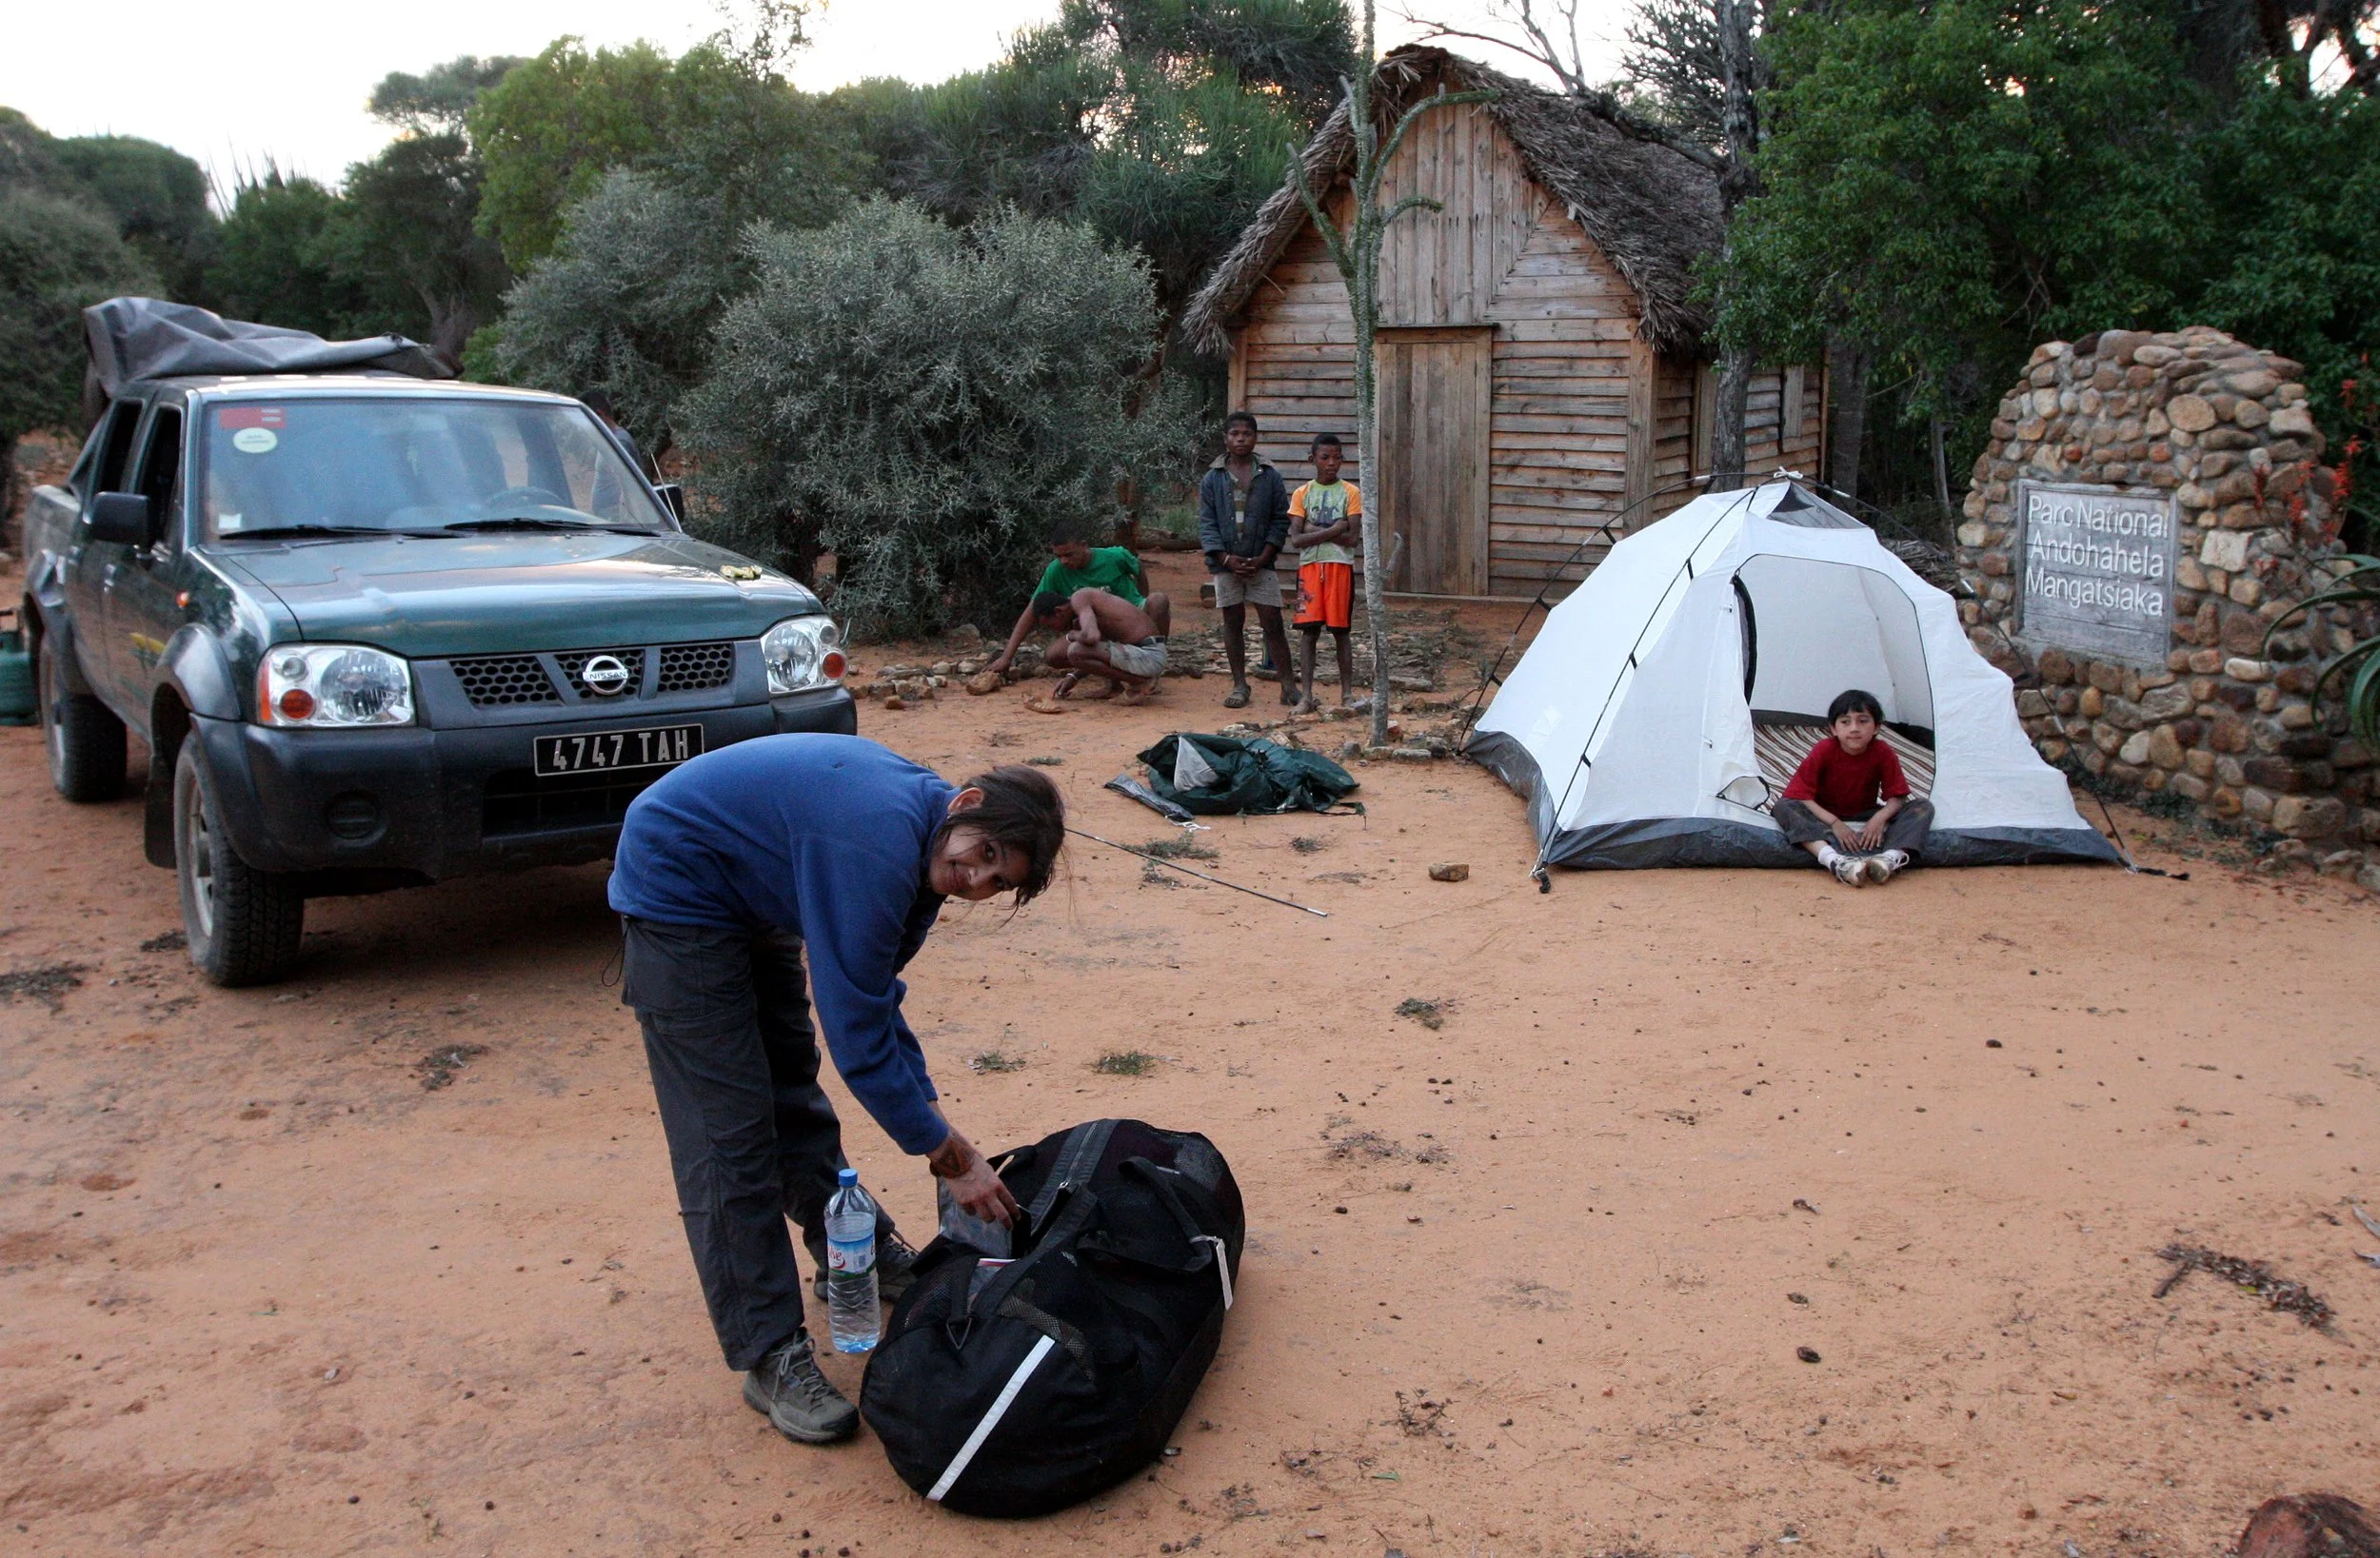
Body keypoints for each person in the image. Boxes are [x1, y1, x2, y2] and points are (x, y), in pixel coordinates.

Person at [609, 737, 1059, 1445]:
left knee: (794, 1099)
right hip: (680, 890)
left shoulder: (926, 847)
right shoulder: (878, 843)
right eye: (987, 855)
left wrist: (939, 1128)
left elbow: (876, 1000)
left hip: (753, 895)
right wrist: (951, 1156)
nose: (975, 880)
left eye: (996, 882)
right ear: (966, 805)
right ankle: (768, 1351)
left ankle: (856, 1252)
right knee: (728, 1139)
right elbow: (857, 1036)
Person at [1771, 690, 1934, 886]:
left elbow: (1897, 797)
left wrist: (1878, 819)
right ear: (1834, 728)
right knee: (1784, 806)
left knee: (1922, 807)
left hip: (1863, 813)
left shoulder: (1882, 752)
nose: (1854, 729)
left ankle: (1889, 859)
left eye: (1863, 721)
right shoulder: (1824, 750)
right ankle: (1834, 860)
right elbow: (1801, 795)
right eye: (1845, 722)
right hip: (1824, 815)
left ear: (1876, 727)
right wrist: (1834, 823)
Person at [1197, 410, 1296, 710]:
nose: (1241, 439)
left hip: (1260, 562)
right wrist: (1224, 558)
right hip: (1226, 564)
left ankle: (1289, 686)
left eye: (1247, 434)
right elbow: (1206, 523)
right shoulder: (1212, 479)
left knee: (1273, 622)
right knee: (1232, 622)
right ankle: (1240, 685)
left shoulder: (1270, 476)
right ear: (1225, 438)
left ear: (1256, 437)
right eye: (1234, 434)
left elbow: (1280, 519)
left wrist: (1266, 555)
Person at [985, 535, 1170, 680]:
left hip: (1127, 622)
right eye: (1058, 556)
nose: (1063, 561)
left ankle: (1147, 669)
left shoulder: (1114, 556)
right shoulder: (1057, 571)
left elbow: (1137, 566)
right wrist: (1007, 657)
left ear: (1084, 545)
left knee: (1158, 600)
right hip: (1100, 625)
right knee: (1055, 654)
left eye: (1068, 554)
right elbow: (1030, 612)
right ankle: (1118, 673)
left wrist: (1141, 598)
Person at [1285, 432, 1362, 715]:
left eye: (1338, 457)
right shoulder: (1302, 494)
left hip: (1340, 569)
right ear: (1313, 459)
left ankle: (1347, 694)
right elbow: (1296, 539)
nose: (1332, 463)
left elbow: (1352, 539)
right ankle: (1306, 695)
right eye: (1325, 457)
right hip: (1309, 570)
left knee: (1341, 633)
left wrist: (1312, 530)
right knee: (1309, 633)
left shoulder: (1351, 493)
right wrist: (1334, 529)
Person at [1031, 585, 1167, 702]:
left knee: (1075, 650)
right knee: (1079, 650)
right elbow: (1098, 651)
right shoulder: (1083, 616)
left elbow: (1091, 637)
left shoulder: (1079, 598)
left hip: (1148, 655)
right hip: (1146, 655)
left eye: (1050, 625)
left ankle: (1141, 683)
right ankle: (1119, 686)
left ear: (1058, 611)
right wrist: (1073, 676)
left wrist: (1072, 635)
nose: (1054, 630)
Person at [581, 389, 653, 480]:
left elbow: (627, 483)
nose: (584, 426)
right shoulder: (610, 440)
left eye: (584, 420)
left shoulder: (620, 442)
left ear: (600, 414)